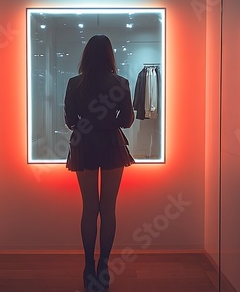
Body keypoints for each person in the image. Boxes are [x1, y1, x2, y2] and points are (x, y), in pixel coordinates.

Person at [64, 35, 135, 291]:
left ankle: (87, 266)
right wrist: (109, 122)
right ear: (109, 55)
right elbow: (127, 120)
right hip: (112, 144)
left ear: (86, 55)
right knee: (108, 208)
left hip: (83, 143)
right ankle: (104, 265)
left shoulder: (74, 83)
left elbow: (70, 120)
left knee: (89, 208)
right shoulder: (121, 82)